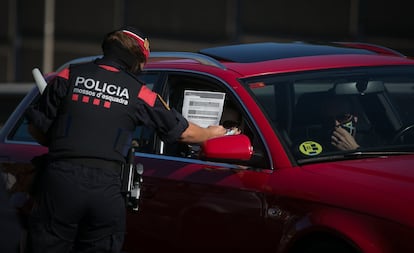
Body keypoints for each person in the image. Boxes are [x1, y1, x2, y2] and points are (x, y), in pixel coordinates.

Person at [25, 26, 229, 253]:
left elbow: (36, 128)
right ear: (136, 60)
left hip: (61, 183)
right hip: (106, 189)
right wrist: (211, 134)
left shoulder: (68, 75)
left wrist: (66, 143)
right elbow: (182, 132)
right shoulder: (140, 93)